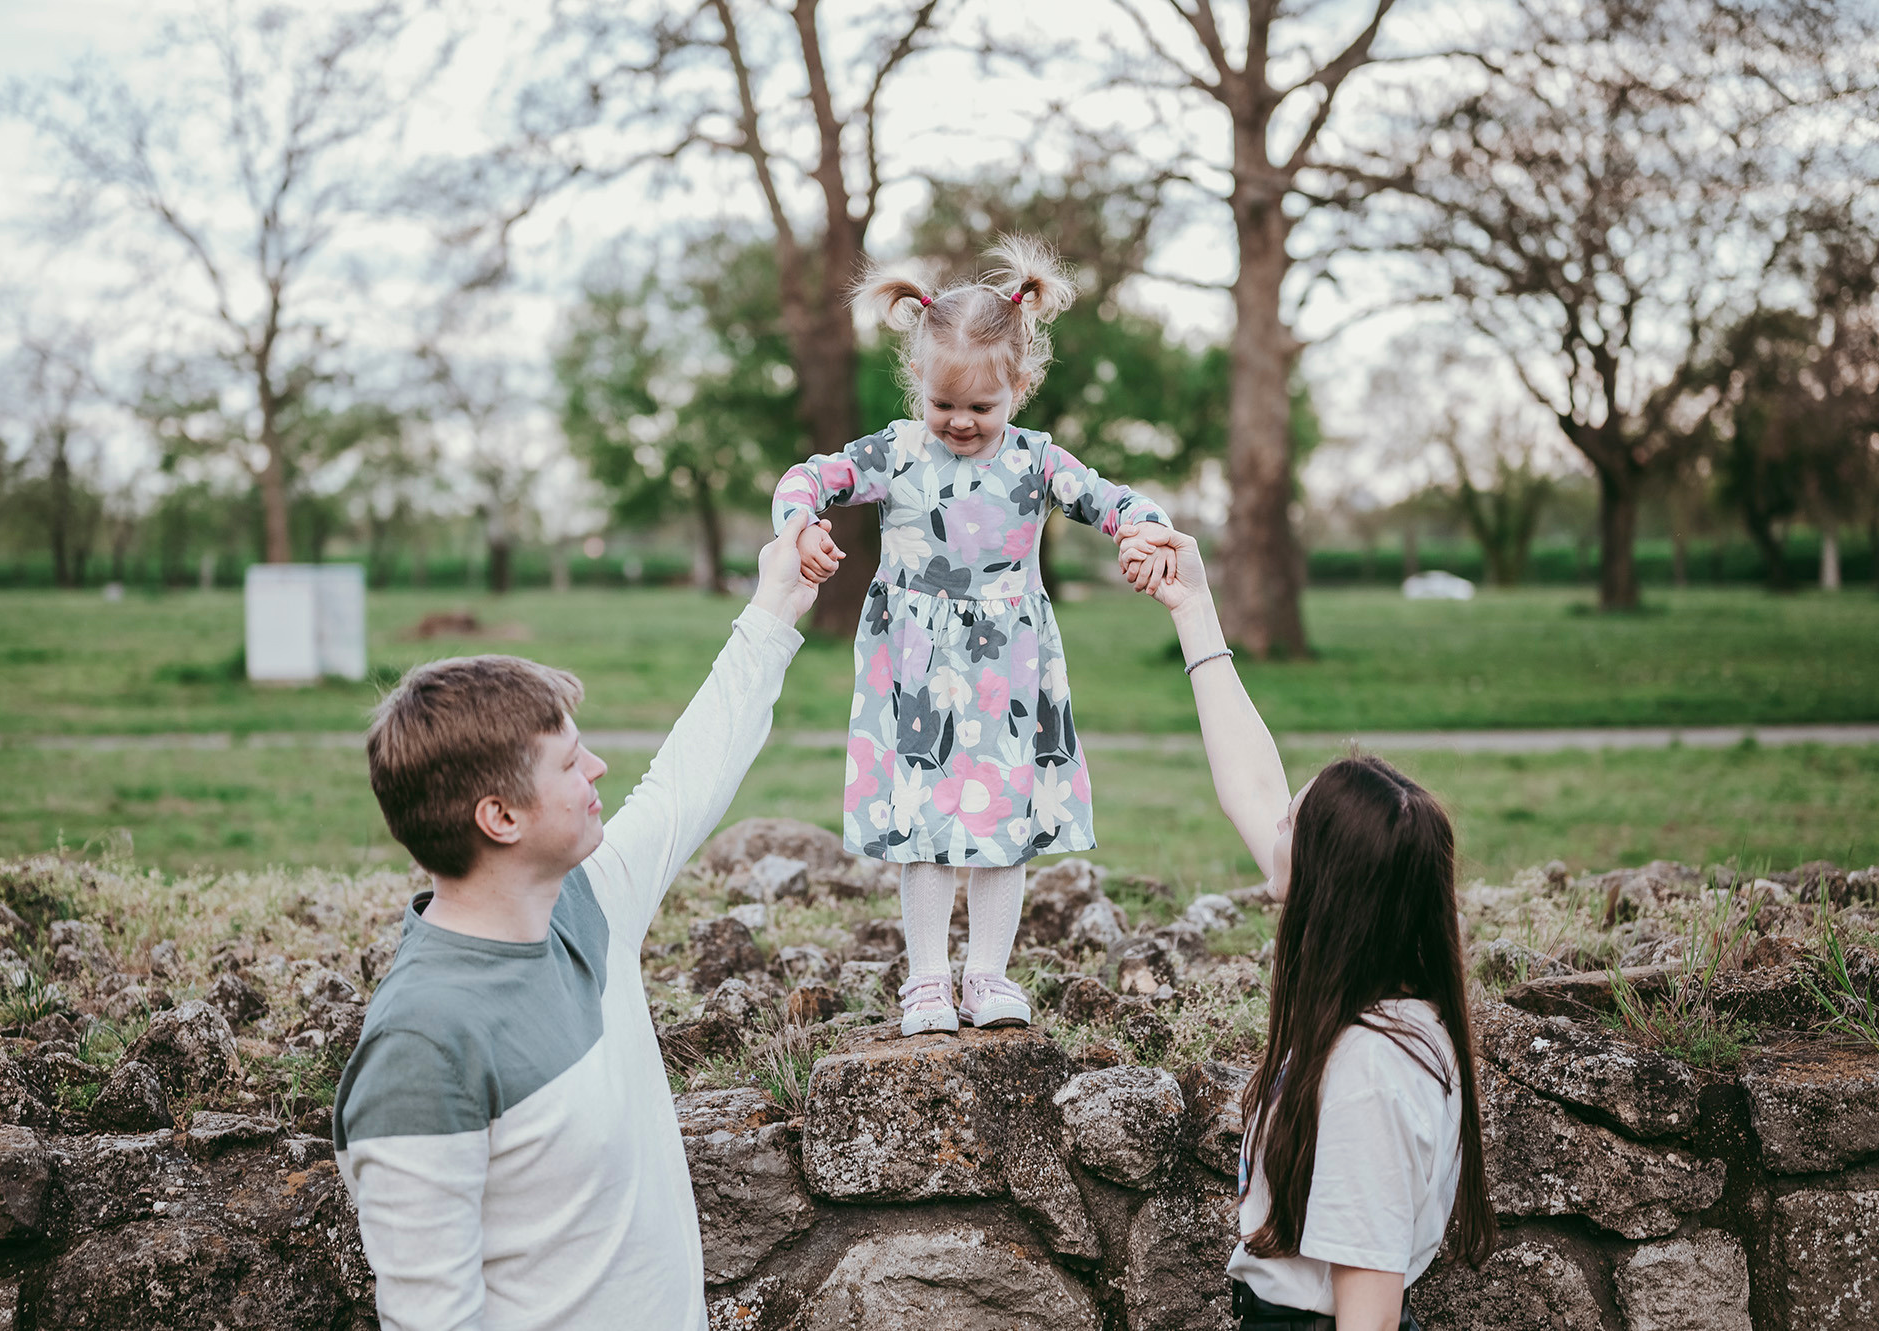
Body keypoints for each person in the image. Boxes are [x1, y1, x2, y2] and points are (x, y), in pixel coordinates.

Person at [330, 525, 818, 1331]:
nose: (597, 769)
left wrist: (777, 603)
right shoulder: (423, 1046)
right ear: (501, 816)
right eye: (568, 761)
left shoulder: (584, 905)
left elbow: (686, 779)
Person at [776, 235, 1178, 1037]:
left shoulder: (1037, 463)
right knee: (924, 818)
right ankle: (927, 979)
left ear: (1019, 387)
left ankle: (987, 975)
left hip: (1008, 667)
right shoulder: (895, 452)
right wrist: (799, 525)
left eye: (981, 408)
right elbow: (807, 478)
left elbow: (1116, 500)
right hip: (914, 664)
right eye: (943, 404)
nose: (960, 422)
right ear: (916, 382)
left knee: (1002, 822)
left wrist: (1142, 534)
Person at [1118, 527, 1496, 1331]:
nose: (1273, 817)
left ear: (1327, 885)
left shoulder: (1368, 1072)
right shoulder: (1385, 1000)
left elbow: (1367, 1314)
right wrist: (1194, 609)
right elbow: (1248, 786)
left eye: (1292, 819)